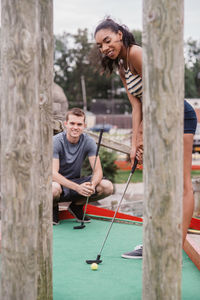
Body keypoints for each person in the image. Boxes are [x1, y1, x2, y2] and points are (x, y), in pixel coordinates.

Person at [94, 17, 197, 258]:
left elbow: (156, 97)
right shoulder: (122, 66)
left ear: (120, 34)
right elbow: (137, 105)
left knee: (183, 185)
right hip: (157, 121)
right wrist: (134, 143)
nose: (104, 48)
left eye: (107, 40)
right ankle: (154, 241)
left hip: (178, 116)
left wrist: (143, 134)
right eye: (100, 45)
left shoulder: (137, 54)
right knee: (157, 184)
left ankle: (175, 247)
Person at [52, 107, 114, 225]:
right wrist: (77, 188)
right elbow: (53, 174)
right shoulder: (56, 141)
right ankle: (52, 207)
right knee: (53, 188)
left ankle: (77, 206)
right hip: (56, 184)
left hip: (75, 181)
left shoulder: (88, 141)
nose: (75, 127)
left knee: (107, 186)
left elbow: (98, 171)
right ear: (66, 124)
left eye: (79, 124)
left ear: (84, 126)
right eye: (72, 123)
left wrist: (92, 185)